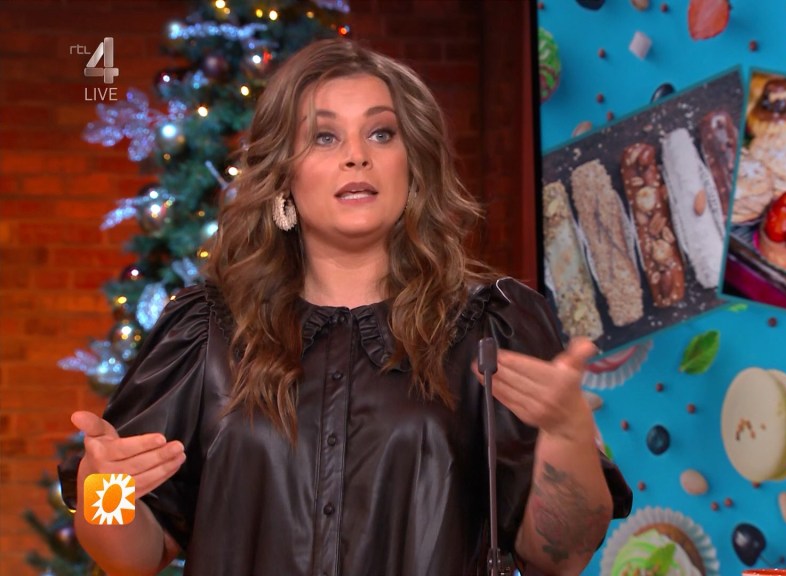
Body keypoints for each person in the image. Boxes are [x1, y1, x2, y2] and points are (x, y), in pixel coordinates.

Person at [59, 38, 631, 576]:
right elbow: (132, 561)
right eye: (324, 137)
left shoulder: (490, 328)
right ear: (283, 174)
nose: (357, 156)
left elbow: (560, 556)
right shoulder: (206, 331)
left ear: (413, 164)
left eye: (381, 133)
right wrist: (103, 488)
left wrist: (567, 434)